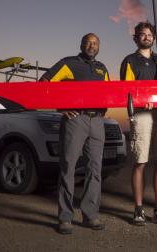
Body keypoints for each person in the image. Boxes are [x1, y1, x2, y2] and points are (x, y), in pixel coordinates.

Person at [40, 33, 110, 234]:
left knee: (95, 170)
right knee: (68, 167)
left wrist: (102, 112)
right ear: (81, 45)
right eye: (88, 42)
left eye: (95, 43)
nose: (92, 45)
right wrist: (60, 107)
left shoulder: (102, 68)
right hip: (75, 120)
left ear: (99, 46)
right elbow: (44, 83)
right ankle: (65, 218)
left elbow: (107, 91)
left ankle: (90, 216)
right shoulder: (68, 63)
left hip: (97, 121)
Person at [120, 21, 157, 226]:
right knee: (140, 161)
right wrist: (145, 100)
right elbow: (128, 91)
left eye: (150, 34)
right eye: (142, 35)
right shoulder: (130, 61)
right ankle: (139, 209)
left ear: (154, 38)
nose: (147, 37)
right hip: (142, 114)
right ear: (136, 38)